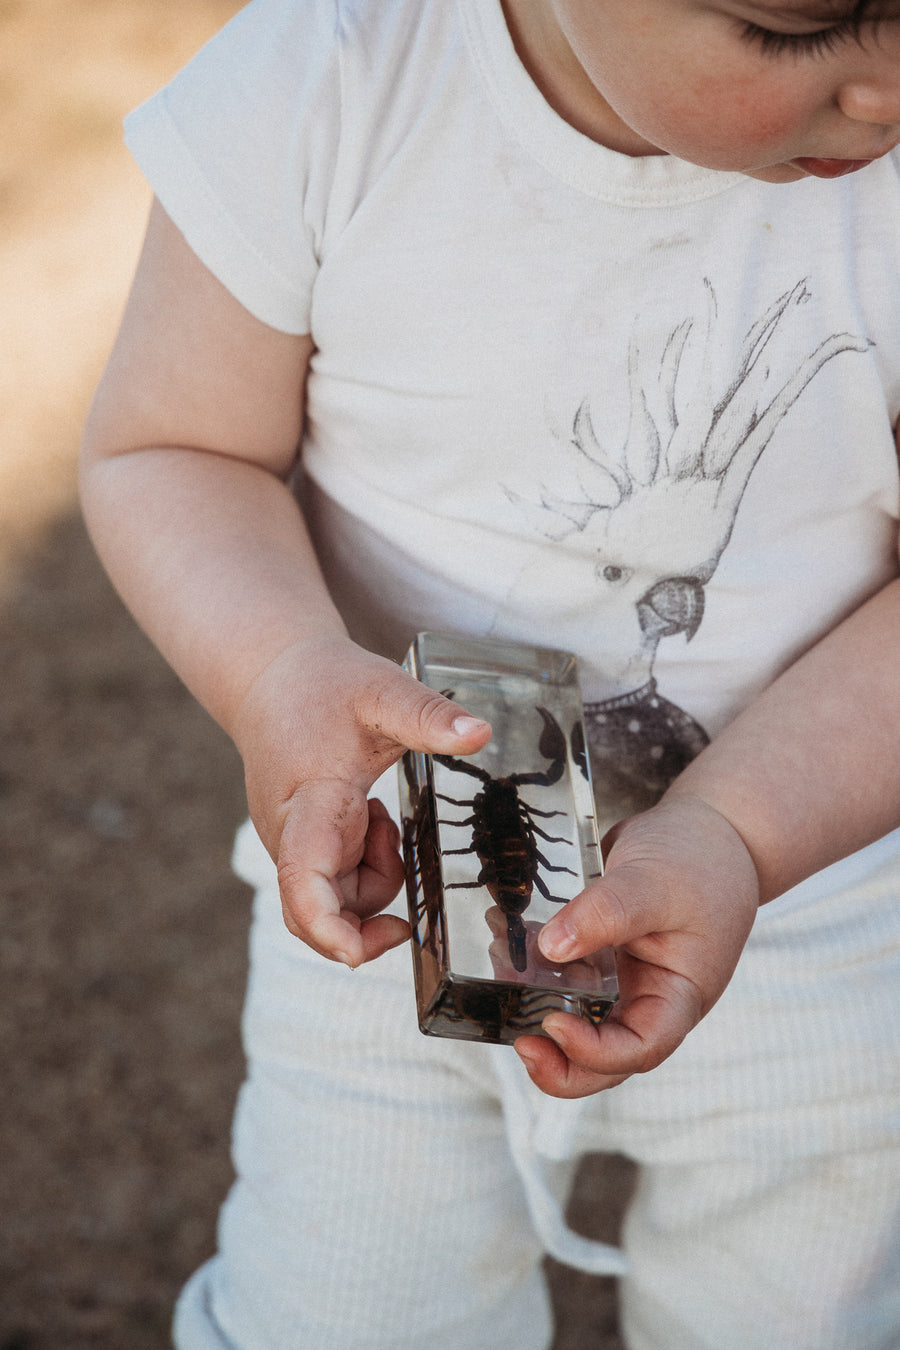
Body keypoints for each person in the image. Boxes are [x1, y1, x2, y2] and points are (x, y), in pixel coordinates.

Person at [79, 0, 900, 1345]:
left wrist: (740, 833)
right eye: (794, 31)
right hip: (392, 887)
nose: (885, 94)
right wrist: (278, 668)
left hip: (817, 913)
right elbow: (172, 447)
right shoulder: (327, 80)